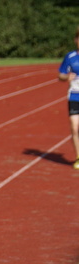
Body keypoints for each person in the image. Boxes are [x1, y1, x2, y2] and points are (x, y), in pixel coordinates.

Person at [58, 26, 79, 169]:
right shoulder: (70, 57)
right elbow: (60, 75)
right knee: (74, 126)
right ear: (76, 40)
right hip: (74, 95)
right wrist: (66, 77)